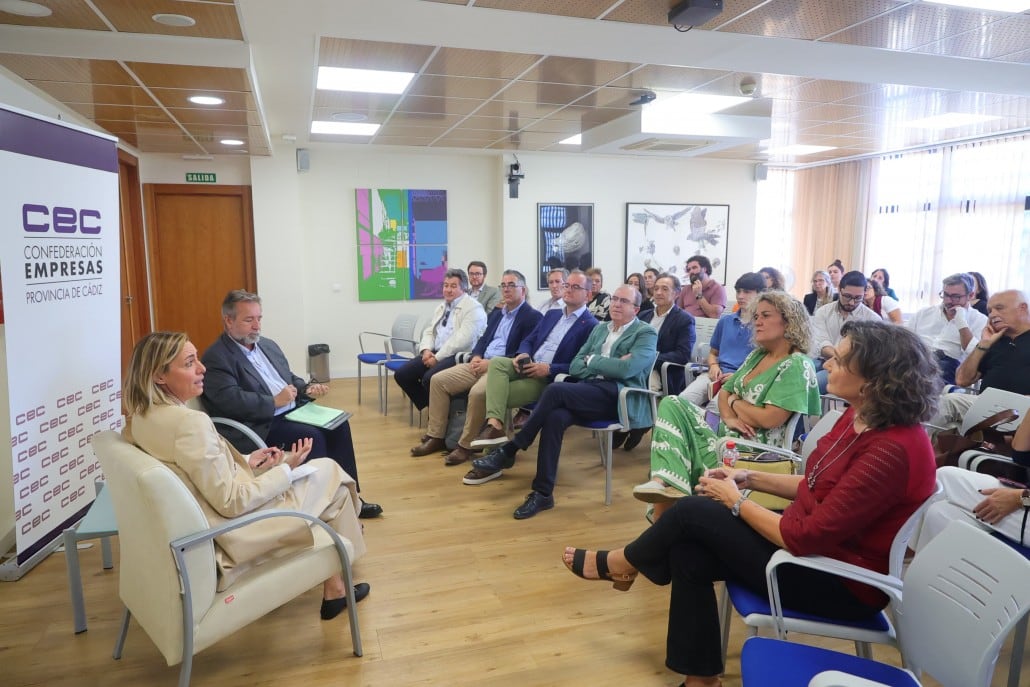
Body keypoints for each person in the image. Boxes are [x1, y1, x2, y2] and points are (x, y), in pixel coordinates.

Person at [562, 320, 939, 685]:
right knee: (688, 551)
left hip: (839, 583)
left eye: (839, 361)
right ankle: (702, 678)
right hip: (811, 553)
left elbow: (804, 537)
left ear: (874, 380)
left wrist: (737, 501)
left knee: (695, 510)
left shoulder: (892, 450)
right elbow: (815, 483)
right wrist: (748, 478)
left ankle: (624, 562)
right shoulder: (859, 416)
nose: (826, 363)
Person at [125, 332, 370, 619]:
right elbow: (232, 502)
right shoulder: (190, 423)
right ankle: (339, 578)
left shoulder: (141, 418)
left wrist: (246, 461)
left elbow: (196, 468)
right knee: (332, 478)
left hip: (209, 519)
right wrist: (284, 470)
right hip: (236, 531)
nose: (202, 368)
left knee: (331, 482)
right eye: (190, 363)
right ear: (159, 376)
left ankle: (336, 587)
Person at [469, 284, 658, 519]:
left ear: (636, 308)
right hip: (589, 390)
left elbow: (629, 369)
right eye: (615, 299)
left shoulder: (645, 333)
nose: (616, 304)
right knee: (555, 417)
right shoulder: (601, 329)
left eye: (624, 301)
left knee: (556, 390)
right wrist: (601, 363)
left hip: (617, 396)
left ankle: (512, 448)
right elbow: (577, 365)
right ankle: (543, 493)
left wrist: (593, 361)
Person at [633, 291, 820, 520]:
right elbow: (724, 393)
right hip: (726, 434)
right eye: (757, 316)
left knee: (679, 454)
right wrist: (731, 415)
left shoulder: (797, 364)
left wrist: (734, 402)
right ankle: (663, 486)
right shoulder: (758, 355)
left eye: (766, 316)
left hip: (750, 453)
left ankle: (666, 497)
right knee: (673, 403)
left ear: (789, 321)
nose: (757, 322)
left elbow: (769, 419)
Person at [201, 290, 382, 519]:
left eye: (259, 318)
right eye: (249, 320)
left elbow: (288, 378)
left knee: (338, 425)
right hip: (262, 423)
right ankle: (321, 505)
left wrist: (306, 388)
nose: (256, 326)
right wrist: (274, 401)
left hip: (292, 410)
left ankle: (351, 497)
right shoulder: (217, 357)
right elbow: (230, 401)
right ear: (229, 320)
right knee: (311, 436)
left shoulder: (267, 345)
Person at [464, 270, 598, 483]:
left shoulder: (591, 326)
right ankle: (495, 428)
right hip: (527, 364)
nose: (568, 290)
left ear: (588, 295)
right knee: (498, 362)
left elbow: (580, 365)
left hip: (547, 379)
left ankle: (494, 459)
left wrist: (550, 369)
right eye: (567, 286)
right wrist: (523, 353)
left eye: (575, 287)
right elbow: (530, 338)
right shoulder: (553, 314)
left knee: (495, 393)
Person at [410, 270, 542, 465]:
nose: (506, 289)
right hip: (480, 363)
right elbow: (483, 339)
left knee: (477, 393)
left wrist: (490, 363)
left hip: (501, 369)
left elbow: (523, 353)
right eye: (503, 285)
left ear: (523, 290)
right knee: (438, 381)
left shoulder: (532, 317)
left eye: (511, 285)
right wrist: (477, 356)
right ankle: (436, 436)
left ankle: (465, 446)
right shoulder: (498, 313)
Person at [916, 413, 1030, 549]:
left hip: (1024, 499)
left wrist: (1020, 498)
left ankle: (900, 553)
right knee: (940, 513)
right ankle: (908, 564)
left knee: (944, 477)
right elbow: (1020, 453)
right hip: (1023, 495)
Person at [929, 289, 1030, 433]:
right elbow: (962, 380)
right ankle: (921, 453)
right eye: (990, 310)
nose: (993, 314)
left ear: (1023, 308)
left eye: (999, 308)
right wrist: (983, 345)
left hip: (1024, 408)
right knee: (943, 404)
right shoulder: (994, 342)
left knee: (951, 410)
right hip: (985, 404)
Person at [393, 268, 487, 411]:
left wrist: (437, 358)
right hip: (435, 352)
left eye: (453, 286)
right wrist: (426, 351)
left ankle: (438, 414)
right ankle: (434, 408)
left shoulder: (473, 309)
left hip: (458, 355)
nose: (448, 290)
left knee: (429, 378)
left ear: (463, 289)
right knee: (402, 375)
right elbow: (430, 331)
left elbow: (461, 340)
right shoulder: (442, 306)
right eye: (446, 285)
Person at [627, 274, 696, 449]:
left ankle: (638, 425)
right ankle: (625, 425)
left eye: (665, 289)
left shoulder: (684, 319)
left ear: (677, 293)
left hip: (660, 369)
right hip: (636, 365)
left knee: (640, 386)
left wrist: (649, 359)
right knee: (618, 381)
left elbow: (682, 354)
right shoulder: (643, 315)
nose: (658, 292)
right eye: (656, 288)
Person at [680, 272, 765, 407]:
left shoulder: (763, 326)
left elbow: (766, 365)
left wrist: (740, 378)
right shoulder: (726, 321)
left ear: (760, 294)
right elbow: (713, 353)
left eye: (747, 292)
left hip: (743, 380)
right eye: (738, 291)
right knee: (682, 401)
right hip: (716, 375)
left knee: (714, 409)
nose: (740, 296)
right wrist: (713, 366)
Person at [906, 273, 988, 386]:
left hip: (949, 366)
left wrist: (961, 323)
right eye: (945, 295)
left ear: (970, 295)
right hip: (917, 361)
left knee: (944, 365)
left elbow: (976, 354)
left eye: (955, 297)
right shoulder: (924, 313)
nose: (949, 301)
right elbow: (903, 340)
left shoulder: (979, 320)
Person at [810, 271, 881, 393]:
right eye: (847, 296)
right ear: (839, 289)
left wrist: (844, 360)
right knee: (794, 375)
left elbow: (870, 355)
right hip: (822, 359)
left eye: (858, 298)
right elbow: (822, 344)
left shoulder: (873, 319)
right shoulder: (823, 312)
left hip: (849, 368)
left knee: (811, 384)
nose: (852, 302)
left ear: (864, 293)